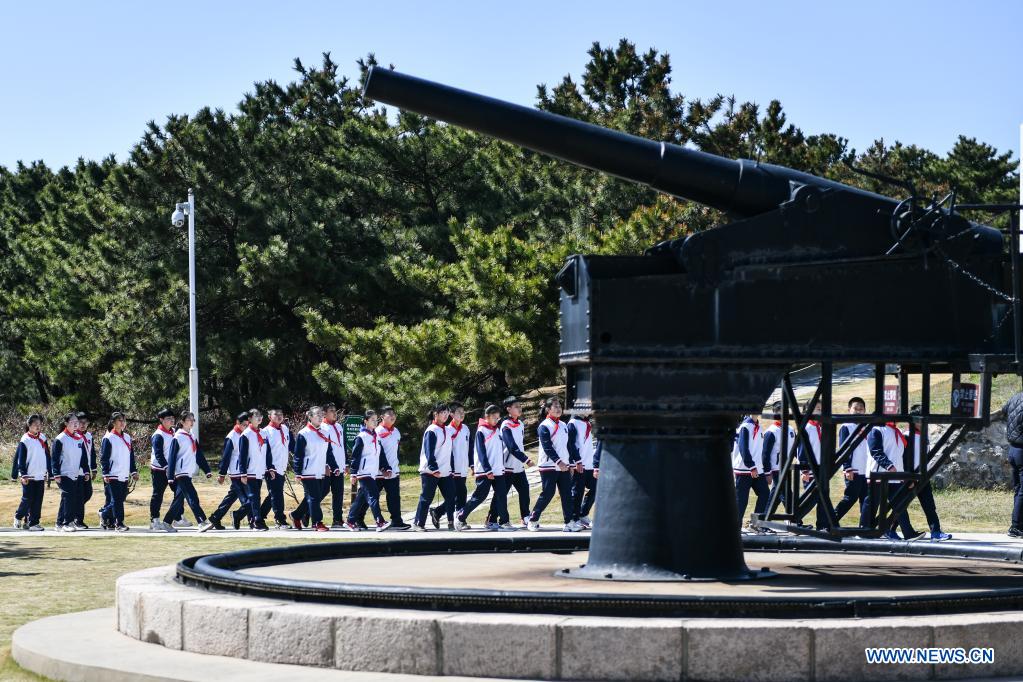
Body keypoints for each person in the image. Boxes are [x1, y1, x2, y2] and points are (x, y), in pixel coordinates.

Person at [527, 397, 579, 532]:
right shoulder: (544, 425)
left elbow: (568, 446)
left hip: (565, 466)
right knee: (548, 493)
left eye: (560, 406)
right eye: (555, 406)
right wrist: (559, 462)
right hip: (548, 466)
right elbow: (547, 447)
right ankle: (533, 519)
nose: (558, 408)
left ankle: (569, 522)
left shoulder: (563, 425)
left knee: (567, 494)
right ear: (548, 410)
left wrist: (570, 464)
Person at [455, 405, 509, 531]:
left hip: (498, 470)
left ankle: (503, 522)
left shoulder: (496, 430)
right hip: (486, 471)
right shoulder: (481, 431)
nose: (497, 420)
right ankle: (461, 516)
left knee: (502, 495)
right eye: (494, 417)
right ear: (487, 416)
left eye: (498, 417)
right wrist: (487, 469)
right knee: (479, 496)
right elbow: (481, 452)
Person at [865, 420, 919, 540]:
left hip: (896, 476)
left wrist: (905, 475)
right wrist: (888, 465)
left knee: (900, 505)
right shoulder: (876, 429)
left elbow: (901, 455)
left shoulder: (898, 432)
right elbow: (875, 450)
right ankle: (864, 530)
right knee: (872, 504)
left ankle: (908, 533)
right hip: (879, 474)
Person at [905, 406, 952, 541]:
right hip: (911, 477)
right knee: (903, 505)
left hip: (922, 476)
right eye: (920, 420)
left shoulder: (924, 436)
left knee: (929, 505)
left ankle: (936, 532)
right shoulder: (907, 435)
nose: (923, 423)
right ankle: (890, 529)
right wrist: (909, 477)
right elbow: (905, 458)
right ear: (913, 421)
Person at [292, 406, 341, 531]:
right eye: (317, 415)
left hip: (320, 471)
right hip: (307, 471)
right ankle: (317, 522)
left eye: (321, 414)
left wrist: (334, 467)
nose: (320, 417)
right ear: (310, 417)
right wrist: (297, 472)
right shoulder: (304, 434)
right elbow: (298, 455)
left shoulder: (325, 431)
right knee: (314, 497)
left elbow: (328, 453)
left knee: (316, 496)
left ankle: (296, 515)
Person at [164, 411, 213, 532]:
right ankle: (201, 521)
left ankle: (166, 522)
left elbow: (198, 455)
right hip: (181, 473)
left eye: (193, 419)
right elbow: (172, 457)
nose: (192, 422)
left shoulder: (191, 436)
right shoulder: (178, 437)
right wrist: (170, 476)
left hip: (188, 472)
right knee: (192, 496)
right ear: (182, 422)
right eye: (189, 419)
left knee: (179, 499)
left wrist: (206, 469)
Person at [344, 411, 391, 532]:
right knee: (373, 495)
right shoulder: (361, 437)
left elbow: (379, 455)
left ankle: (350, 521)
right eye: (372, 420)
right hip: (364, 472)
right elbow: (355, 456)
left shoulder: (376, 436)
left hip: (372, 472)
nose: (375, 422)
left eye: (376, 420)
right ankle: (379, 521)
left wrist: (385, 468)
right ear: (366, 421)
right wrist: (353, 473)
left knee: (361, 499)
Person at [413, 403, 456, 531]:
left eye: (447, 413)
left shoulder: (447, 430)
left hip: (445, 471)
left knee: (451, 496)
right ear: (435, 414)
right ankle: (418, 523)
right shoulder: (431, 430)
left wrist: (451, 468)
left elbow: (449, 451)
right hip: (430, 471)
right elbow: (428, 451)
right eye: (443, 412)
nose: (446, 415)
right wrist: (433, 468)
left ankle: (447, 520)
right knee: (426, 498)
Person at [208, 412, 252, 531]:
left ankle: (215, 517)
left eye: (248, 424)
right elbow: (226, 457)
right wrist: (222, 474)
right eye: (244, 425)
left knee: (231, 498)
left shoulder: (247, 434)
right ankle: (248, 519)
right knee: (249, 499)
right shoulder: (232, 436)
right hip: (236, 472)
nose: (246, 427)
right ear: (237, 423)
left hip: (245, 471)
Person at [233, 408, 272, 531]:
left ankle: (238, 514)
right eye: (256, 416)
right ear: (249, 419)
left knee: (255, 498)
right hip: (249, 471)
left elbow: (268, 453)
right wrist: (243, 473)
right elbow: (242, 456)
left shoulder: (263, 433)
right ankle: (257, 521)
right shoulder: (246, 435)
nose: (259, 418)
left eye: (260, 415)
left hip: (260, 470)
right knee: (254, 497)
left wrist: (270, 468)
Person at [496, 396, 532, 527]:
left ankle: (525, 517)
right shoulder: (506, 425)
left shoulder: (521, 424)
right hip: (507, 466)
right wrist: (526, 459)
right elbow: (511, 447)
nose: (519, 408)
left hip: (518, 467)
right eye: (516, 406)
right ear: (508, 409)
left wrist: (522, 461)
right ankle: (493, 518)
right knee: (501, 495)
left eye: (520, 406)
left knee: (524, 491)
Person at [432, 402, 469, 529]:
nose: (462, 414)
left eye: (463, 412)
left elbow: (468, 448)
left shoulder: (465, 429)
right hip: (451, 469)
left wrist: (472, 464)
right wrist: (451, 467)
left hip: (463, 467)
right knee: (459, 494)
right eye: (458, 412)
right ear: (451, 414)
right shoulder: (447, 430)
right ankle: (460, 520)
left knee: (459, 494)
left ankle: (438, 512)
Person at [835, 397, 871, 525]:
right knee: (850, 497)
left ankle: (864, 525)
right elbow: (843, 449)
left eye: (861, 409)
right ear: (849, 409)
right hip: (853, 469)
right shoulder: (846, 426)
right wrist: (847, 467)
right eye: (855, 408)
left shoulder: (867, 426)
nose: (858, 411)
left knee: (866, 500)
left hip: (866, 470)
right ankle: (832, 520)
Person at [100, 412, 138, 532]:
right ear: (113, 422)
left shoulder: (127, 437)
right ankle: (119, 523)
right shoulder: (108, 438)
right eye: (119, 420)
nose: (122, 423)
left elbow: (130, 456)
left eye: (124, 420)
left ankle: (104, 515)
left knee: (120, 499)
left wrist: (133, 471)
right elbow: (104, 457)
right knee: (117, 500)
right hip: (112, 474)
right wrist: (105, 473)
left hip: (124, 474)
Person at [51, 412, 88, 532]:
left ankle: (59, 523)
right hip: (63, 473)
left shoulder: (79, 438)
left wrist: (86, 471)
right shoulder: (60, 439)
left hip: (75, 473)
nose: (76, 424)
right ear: (66, 424)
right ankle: (67, 522)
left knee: (66, 498)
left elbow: (83, 458)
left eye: (77, 422)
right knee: (69, 496)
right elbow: (55, 458)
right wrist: (56, 473)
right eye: (73, 422)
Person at [12, 414, 49, 531]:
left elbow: (47, 456)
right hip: (28, 474)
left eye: (39, 424)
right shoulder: (25, 439)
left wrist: (49, 471)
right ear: (29, 425)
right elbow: (20, 459)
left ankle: (33, 523)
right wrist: (23, 474)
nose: (38, 427)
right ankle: (18, 516)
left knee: (38, 499)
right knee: (28, 498)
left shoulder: (43, 438)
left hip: (40, 474)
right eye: (35, 425)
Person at [732, 414, 768, 531]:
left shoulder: (759, 427)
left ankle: (755, 524)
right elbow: (743, 448)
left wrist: (764, 470)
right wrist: (751, 465)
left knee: (765, 494)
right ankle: (735, 529)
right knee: (741, 500)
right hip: (744, 469)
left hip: (757, 469)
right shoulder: (745, 426)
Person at [375, 406, 409, 530]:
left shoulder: (396, 432)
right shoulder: (377, 431)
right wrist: (383, 467)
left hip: (393, 470)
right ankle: (358, 518)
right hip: (378, 471)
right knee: (371, 496)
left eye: (393, 413)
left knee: (394, 496)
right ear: (382, 417)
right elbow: (377, 452)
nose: (392, 416)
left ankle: (397, 520)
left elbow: (396, 451)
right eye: (389, 414)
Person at [260, 408, 294, 529]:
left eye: (281, 414)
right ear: (269, 416)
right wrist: (270, 467)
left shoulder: (285, 429)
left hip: (282, 467)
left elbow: (292, 446)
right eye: (276, 414)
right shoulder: (265, 432)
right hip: (271, 468)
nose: (279, 416)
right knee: (277, 494)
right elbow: (265, 452)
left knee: (274, 494)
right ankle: (280, 520)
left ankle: (258, 516)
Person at [797, 403, 827, 530]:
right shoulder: (807, 427)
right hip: (810, 468)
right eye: (817, 409)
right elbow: (801, 450)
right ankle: (795, 519)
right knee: (811, 497)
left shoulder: (819, 427)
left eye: (821, 408)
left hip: (821, 467)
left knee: (823, 497)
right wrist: (804, 470)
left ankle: (822, 525)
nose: (820, 411)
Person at [760, 403, 794, 506]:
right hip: (776, 469)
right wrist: (767, 472)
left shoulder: (791, 429)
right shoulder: (771, 432)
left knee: (776, 494)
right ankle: (796, 520)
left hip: (787, 467)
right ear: (774, 414)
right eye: (780, 413)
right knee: (786, 494)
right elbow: (765, 454)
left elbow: (794, 448)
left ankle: (765, 517)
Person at [568, 412, 598, 530]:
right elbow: (570, 445)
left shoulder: (586, 423)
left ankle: (583, 513)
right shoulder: (572, 423)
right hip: (579, 463)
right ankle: (574, 518)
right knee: (577, 492)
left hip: (589, 464)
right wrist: (576, 461)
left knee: (596, 487)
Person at [320, 403, 348, 528]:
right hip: (327, 467)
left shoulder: (339, 427)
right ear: (324, 413)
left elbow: (343, 446)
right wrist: (326, 464)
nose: (334, 413)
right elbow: (323, 449)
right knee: (322, 492)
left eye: (335, 410)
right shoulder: (322, 427)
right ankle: (303, 512)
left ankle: (337, 519)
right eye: (331, 411)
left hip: (339, 465)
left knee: (338, 493)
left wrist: (345, 463)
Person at [149, 408, 177, 532]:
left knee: (180, 493)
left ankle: (178, 516)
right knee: (158, 495)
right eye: (168, 419)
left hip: (172, 470)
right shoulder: (158, 435)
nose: (171, 421)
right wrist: (166, 467)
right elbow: (158, 454)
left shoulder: (174, 432)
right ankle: (154, 520)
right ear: (161, 420)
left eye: (172, 418)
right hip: (159, 470)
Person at [1001, 390, 1023, 537]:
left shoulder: (1015, 397)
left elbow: (1004, 412)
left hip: (1013, 450)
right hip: (1022, 449)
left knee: (1018, 489)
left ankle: (1018, 525)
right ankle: (1016, 526)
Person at [76, 412, 96, 529]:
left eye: (85, 422)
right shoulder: (74, 436)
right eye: (80, 422)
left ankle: (73, 510)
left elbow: (92, 453)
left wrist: (93, 468)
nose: (83, 425)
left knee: (88, 493)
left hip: (87, 470)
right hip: (77, 470)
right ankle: (78, 520)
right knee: (79, 495)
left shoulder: (88, 436)